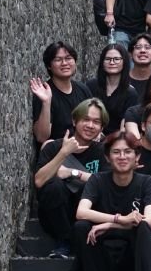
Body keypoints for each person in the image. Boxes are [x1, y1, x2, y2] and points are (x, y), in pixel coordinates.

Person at [74, 132, 151, 271]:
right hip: (101, 257)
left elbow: (149, 221)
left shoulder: (147, 182)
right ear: (107, 157)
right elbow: (81, 212)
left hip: (133, 258)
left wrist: (109, 224)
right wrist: (120, 219)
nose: (122, 156)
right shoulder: (97, 180)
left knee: (143, 226)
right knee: (81, 226)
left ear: (137, 156)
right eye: (116, 152)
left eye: (127, 152)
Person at [33, 98, 107, 259]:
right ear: (74, 121)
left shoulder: (103, 152)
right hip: (55, 213)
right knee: (54, 186)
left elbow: (107, 184)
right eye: (85, 119)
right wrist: (64, 152)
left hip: (85, 212)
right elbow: (39, 181)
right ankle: (64, 240)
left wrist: (73, 172)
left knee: (89, 188)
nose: (90, 125)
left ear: (101, 128)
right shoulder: (54, 147)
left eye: (96, 122)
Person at [30, 41, 92, 146]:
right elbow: (41, 137)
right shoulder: (44, 92)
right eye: (58, 60)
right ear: (49, 66)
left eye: (68, 58)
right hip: (59, 150)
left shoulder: (83, 89)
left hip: (83, 147)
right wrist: (46, 102)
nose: (64, 63)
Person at [85, 44, 139, 135]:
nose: (112, 62)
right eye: (108, 59)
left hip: (116, 138)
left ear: (124, 62)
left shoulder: (130, 93)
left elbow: (125, 126)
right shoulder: (91, 85)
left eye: (116, 59)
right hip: (90, 133)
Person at [128, 33, 151, 97]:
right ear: (130, 54)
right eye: (138, 47)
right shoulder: (122, 79)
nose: (142, 50)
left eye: (147, 47)